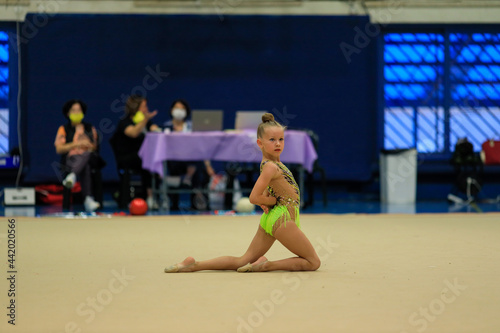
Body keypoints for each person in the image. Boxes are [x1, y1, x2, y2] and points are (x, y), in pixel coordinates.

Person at [164, 113, 321, 272]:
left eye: (281, 139)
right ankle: (267, 265)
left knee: (242, 260)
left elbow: (270, 187)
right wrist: (272, 201)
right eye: (272, 140)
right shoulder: (271, 166)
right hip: (282, 218)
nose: (278, 143)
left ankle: (195, 265)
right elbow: (253, 198)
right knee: (313, 262)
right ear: (260, 143)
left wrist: (268, 196)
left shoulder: (272, 163)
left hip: (273, 217)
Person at [163, 99, 214, 210]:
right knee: (195, 166)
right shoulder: (166, 127)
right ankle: (197, 193)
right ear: (171, 110)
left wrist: (208, 165)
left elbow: (201, 147)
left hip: (191, 160)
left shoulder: (191, 127)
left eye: (182, 109)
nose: (179, 111)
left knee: (198, 163)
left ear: (186, 111)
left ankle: (195, 194)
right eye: (177, 108)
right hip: (175, 161)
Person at [111, 95, 160, 207]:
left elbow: (155, 130)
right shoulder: (125, 122)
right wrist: (144, 120)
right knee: (148, 162)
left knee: (152, 161)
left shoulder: (147, 122)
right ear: (135, 108)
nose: (146, 109)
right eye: (143, 106)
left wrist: (155, 128)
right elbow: (133, 133)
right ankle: (149, 196)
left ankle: (152, 197)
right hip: (127, 158)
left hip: (143, 158)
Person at [54, 99, 101, 212]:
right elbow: (59, 149)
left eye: (79, 110)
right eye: (73, 110)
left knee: (86, 156)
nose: (76, 113)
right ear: (68, 113)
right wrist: (76, 144)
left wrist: (86, 145)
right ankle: (88, 199)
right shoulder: (63, 129)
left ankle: (72, 175)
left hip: (88, 157)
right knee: (85, 166)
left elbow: (94, 147)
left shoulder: (90, 128)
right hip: (70, 160)